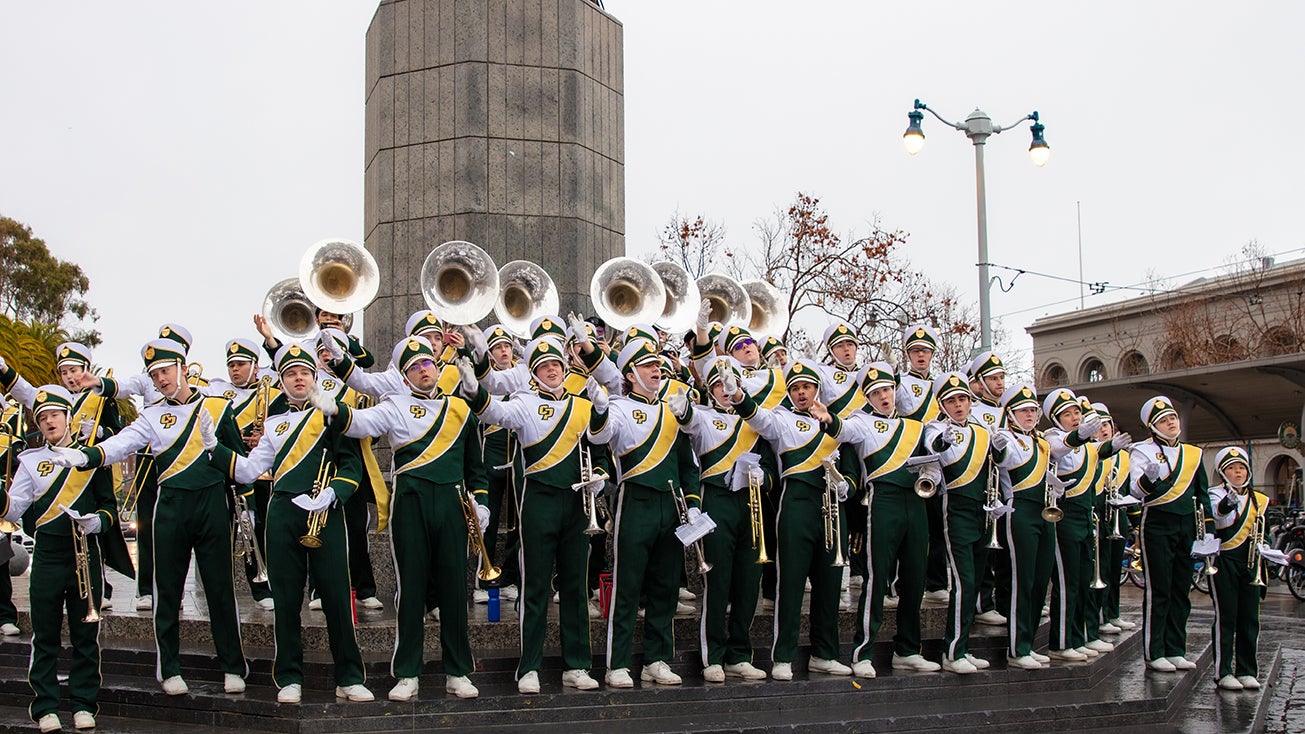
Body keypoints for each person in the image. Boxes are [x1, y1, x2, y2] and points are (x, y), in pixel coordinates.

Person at [48, 339, 250, 696]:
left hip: (212, 505)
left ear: (183, 368)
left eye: (165, 371)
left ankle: (233, 666)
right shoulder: (151, 415)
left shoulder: (219, 407)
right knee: (166, 590)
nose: (160, 380)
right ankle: (169, 668)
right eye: (154, 375)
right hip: (170, 507)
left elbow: (238, 461)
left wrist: (246, 505)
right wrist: (86, 457)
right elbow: (120, 445)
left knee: (220, 589)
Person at [309, 336, 488, 701]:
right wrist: (335, 411)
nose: (424, 370)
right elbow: (360, 422)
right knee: (411, 589)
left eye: (428, 364)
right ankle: (407, 672)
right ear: (404, 378)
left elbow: (477, 468)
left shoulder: (460, 409)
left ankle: (458, 671)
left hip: (453, 504)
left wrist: (481, 503)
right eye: (414, 368)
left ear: (438, 368)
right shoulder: (395, 405)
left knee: (455, 590)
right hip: (412, 503)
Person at [223, 343, 373, 704]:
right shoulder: (273, 424)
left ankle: (349, 677)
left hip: (326, 512)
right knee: (287, 600)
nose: (298, 378)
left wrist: (333, 493)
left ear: (315, 376)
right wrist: (213, 446)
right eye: (291, 374)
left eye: (304, 372)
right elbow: (247, 469)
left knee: (337, 598)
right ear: (282, 382)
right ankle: (289, 676)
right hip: (284, 514)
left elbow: (352, 466)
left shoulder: (333, 414)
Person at [457, 334, 604, 694]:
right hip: (538, 502)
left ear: (565, 368)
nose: (551, 370)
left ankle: (577, 665)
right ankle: (529, 667)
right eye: (542, 367)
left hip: (577, 506)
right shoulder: (523, 402)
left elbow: (600, 448)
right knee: (534, 587)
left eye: (555, 364)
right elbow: (496, 412)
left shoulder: (584, 406)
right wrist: (474, 390)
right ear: (533, 374)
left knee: (574, 588)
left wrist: (600, 473)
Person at [732, 358, 871, 681]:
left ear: (817, 389)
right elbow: (758, 416)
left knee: (829, 585)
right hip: (795, 503)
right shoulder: (781, 420)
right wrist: (738, 395)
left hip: (831, 507)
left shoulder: (839, 423)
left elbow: (852, 472)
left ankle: (825, 653)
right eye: (794, 388)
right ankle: (783, 656)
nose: (801, 393)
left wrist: (845, 485)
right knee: (791, 584)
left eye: (806, 387)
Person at [586, 338, 702, 689]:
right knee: (628, 586)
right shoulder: (620, 406)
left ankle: (657, 659)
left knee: (666, 586)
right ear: (631, 374)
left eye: (659, 366)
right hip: (635, 500)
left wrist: (694, 504)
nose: (657, 371)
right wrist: (601, 409)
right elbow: (600, 436)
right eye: (649, 367)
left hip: (671, 504)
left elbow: (689, 464)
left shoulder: (674, 408)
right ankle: (617, 663)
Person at [676, 359, 778, 683]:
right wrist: (683, 409)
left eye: (730, 384)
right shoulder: (704, 417)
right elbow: (689, 422)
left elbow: (775, 465)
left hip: (751, 503)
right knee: (717, 584)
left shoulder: (755, 421)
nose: (724, 390)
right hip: (717, 498)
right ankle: (713, 656)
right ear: (710, 388)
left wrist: (766, 479)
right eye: (718, 384)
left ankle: (739, 653)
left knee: (749, 583)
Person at [840, 362, 943, 678]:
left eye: (886, 390)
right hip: (882, 502)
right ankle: (863, 652)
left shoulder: (916, 426)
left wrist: (932, 474)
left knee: (914, 579)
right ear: (867, 397)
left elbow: (935, 461)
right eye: (875, 392)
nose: (883, 396)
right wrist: (828, 417)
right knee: (876, 579)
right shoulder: (861, 421)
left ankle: (908, 650)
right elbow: (842, 430)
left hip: (916, 501)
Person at [1128, 396, 1217, 672]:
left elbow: (1202, 492)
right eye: (1165, 420)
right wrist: (1148, 480)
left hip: (1187, 525)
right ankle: (1155, 652)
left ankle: (1176, 649)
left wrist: (1209, 529)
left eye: (1173, 418)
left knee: (1181, 588)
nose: (1171, 423)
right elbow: (1135, 490)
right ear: (1153, 426)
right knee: (1160, 589)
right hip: (1157, 523)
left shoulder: (1193, 454)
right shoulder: (1141, 451)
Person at [1043, 392, 1129, 661]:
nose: (1075, 417)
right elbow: (1060, 450)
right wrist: (1080, 435)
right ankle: (1060, 642)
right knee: (1066, 583)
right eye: (1068, 414)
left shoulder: (1087, 446)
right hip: (1064, 518)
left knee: (1082, 581)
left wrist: (1113, 445)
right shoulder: (1052, 437)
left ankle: (1079, 637)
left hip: (1085, 518)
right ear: (1057, 418)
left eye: (1076, 412)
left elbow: (1099, 450)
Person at [923, 372, 995, 674]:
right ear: (942, 404)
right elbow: (931, 445)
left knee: (975, 582)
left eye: (963, 399)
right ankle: (952, 652)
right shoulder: (936, 427)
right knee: (964, 583)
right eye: (951, 400)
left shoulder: (982, 432)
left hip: (984, 512)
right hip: (956, 512)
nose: (959, 405)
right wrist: (942, 441)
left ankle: (963, 646)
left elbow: (996, 466)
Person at [208, 338, 278, 610]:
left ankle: (260, 587)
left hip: (256, 470)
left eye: (240, 364)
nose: (234, 370)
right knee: (220, 531)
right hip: (223, 470)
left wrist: (264, 437)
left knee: (256, 529)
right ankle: (220, 588)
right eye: (231, 366)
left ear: (255, 366)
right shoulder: (216, 393)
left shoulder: (269, 391)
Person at [990, 384, 1056, 670]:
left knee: (1040, 580)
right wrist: (998, 449)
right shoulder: (1006, 436)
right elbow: (1003, 458)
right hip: (1019, 511)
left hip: (1044, 512)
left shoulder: (1041, 442)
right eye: (1022, 410)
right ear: (1011, 413)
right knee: (1023, 581)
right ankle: (1018, 648)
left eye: (1032, 410)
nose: (1029, 415)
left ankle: (1028, 640)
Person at [1208, 447, 1285, 691]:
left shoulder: (1259, 499)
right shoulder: (1214, 494)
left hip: (1252, 564)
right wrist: (1227, 505)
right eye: (1231, 468)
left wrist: (1267, 547)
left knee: (1250, 619)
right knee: (1227, 617)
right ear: (1223, 472)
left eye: (1241, 467)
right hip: (1225, 562)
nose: (1238, 472)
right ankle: (1223, 671)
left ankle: (1247, 670)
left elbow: (1264, 530)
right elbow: (1217, 518)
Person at [895, 325, 948, 605]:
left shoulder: (942, 386)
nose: (921, 356)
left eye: (925, 351)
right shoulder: (900, 381)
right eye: (915, 351)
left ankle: (937, 581)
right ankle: (900, 582)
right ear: (908, 354)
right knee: (908, 525)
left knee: (937, 524)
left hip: (937, 458)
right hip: (910, 456)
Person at [1091, 402, 1137, 636]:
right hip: (1101, 516)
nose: (1105, 429)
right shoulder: (1094, 454)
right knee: (1103, 568)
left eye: (1107, 424)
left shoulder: (1124, 457)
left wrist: (1135, 523)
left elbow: (1128, 487)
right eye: (1099, 426)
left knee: (1115, 568)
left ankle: (1113, 612)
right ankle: (1100, 615)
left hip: (1119, 517)